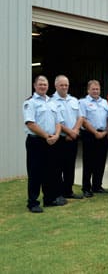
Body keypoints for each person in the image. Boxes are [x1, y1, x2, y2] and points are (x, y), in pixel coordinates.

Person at [23, 75, 63, 212]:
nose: (43, 86)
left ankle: (49, 199)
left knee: (50, 171)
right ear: (34, 86)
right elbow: (30, 123)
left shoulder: (52, 102)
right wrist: (47, 136)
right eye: (40, 84)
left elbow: (58, 122)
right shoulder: (30, 102)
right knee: (35, 172)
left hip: (51, 140)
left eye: (45, 84)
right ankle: (33, 203)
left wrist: (56, 135)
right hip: (36, 141)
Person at [51, 75, 84, 200]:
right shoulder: (51, 101)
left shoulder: (74, 100)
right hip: (60, 139)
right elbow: (56, 121)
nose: (64, 87)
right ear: (56, 86)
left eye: (66, 85)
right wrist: (70, 132)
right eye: (61, 85)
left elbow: (80, 117)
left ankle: (68, 191)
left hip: (73, 138)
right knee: (57, 167)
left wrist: (74, 131)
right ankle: (59, 193)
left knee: (70, 166)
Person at [79, 80, 108, 197]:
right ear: (88, 90)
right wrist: (95, 132)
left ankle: (97, 186)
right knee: (88, 162)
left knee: (100, 162)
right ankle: (86, 188)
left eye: (97, 89)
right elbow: (83, 120)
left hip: (103, 134)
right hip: (89, 135)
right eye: (93, 89)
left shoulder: (104, 102)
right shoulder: (83, 102)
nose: (96, 91)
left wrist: (106, 131)